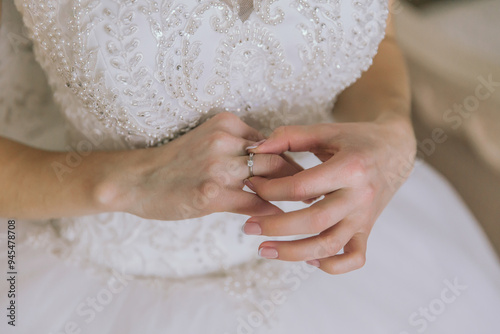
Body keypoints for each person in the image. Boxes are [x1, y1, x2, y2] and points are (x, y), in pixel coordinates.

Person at [1, 0, 499, 333]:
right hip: (83, 272)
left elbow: (379, 37)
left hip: (333, 274)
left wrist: (391, 132)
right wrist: (121, 184)